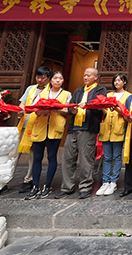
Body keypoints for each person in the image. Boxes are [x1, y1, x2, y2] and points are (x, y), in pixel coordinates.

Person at [54, 67, 107, 200]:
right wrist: (65, 109)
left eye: (89, 75)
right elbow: (72, 108)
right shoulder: (78, 90)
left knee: (86, 159)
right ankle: (67, 187)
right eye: (84, 75)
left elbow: (100, 105)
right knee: (68, 158)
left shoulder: (100, 90)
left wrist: (87, 104)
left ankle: (85, 187)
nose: (86, 77)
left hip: (88, 128)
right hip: (74, 127)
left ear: (96, 77)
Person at [24, 71, 71, 200]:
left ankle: (47, 185)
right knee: (37, 157)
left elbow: (67, 111)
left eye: (60, 78)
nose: (57, 80)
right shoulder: (41, 93)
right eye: (55, 78)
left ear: (63, 81)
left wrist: (55, 108)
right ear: (50, 80)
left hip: (55, 127)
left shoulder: (67, 94)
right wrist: (43, 109)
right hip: (40, 127)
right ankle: (35, 186)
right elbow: (35, 111)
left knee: (51, 156)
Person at [16, 66, 51, 194]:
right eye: (38, 77)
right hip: (24, 123)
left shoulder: (49, 91)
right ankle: (6, 180)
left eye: (43, 77)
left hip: (37, 125)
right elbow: (22, 103)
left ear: (48, 78)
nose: (40, 80)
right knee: (14, 154)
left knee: (33, 155)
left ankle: (28, 180)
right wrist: (20, 111)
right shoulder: (31, 89)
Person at [96, 73, 130, 196]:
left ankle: (113, 181)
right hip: (106, 128)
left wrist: (116, 108)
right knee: (107, 157)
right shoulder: (108, 95)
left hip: (118, 128)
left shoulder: (128, 96)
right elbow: (105, 112)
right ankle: (105, 182)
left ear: (124, 82)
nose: (117, 83)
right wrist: (102, 107)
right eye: (115, 80)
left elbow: (127, 113)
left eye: (120, 80)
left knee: (116, 156)